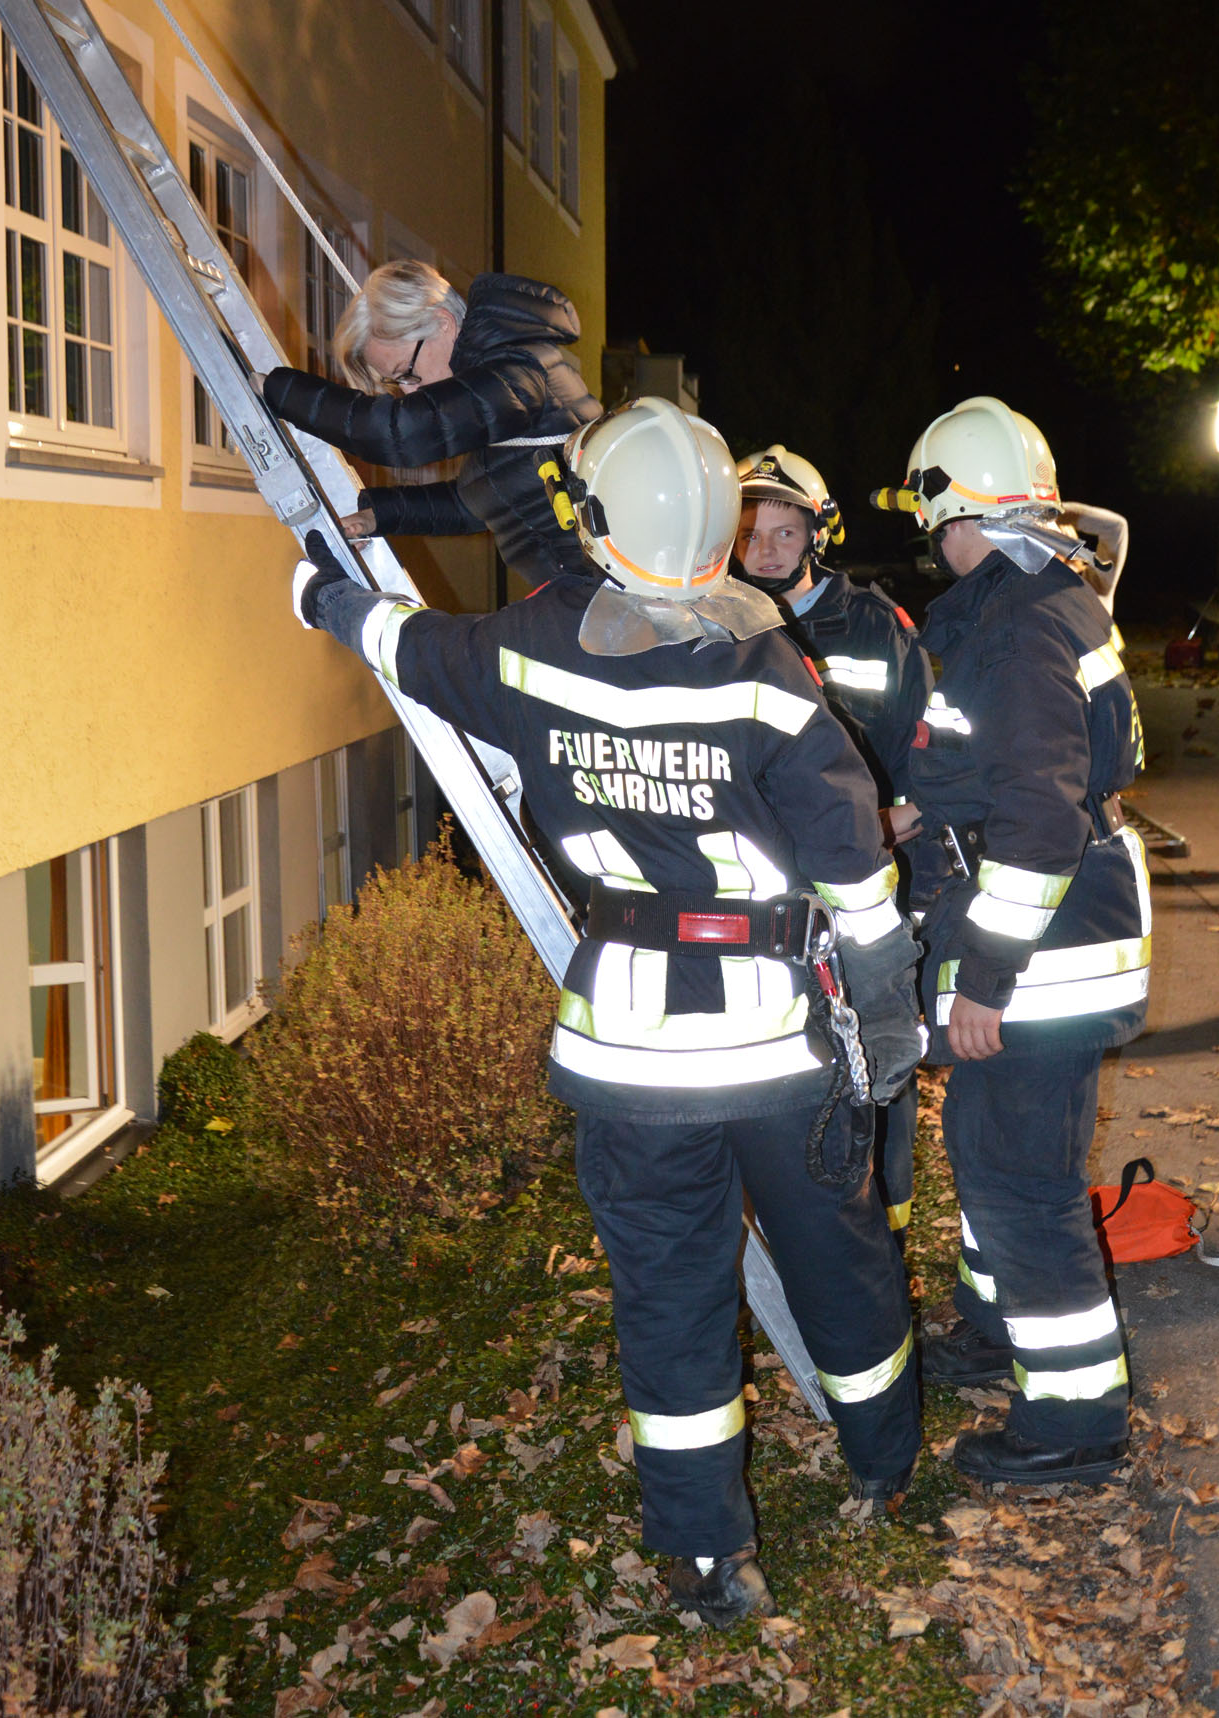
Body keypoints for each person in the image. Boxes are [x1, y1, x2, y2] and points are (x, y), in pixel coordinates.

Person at [294, 396, 925, 1627]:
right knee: (838, 1258)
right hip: (778, 1042)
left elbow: (408, 643)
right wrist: (888, 1015)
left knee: (669, 1297)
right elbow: (855, 873)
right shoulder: (768, 671)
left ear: (599, 518)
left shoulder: (529, 646)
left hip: (629, 1053)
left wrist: (320, 593)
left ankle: (708, 1559)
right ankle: (882, 1464)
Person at [873, 395, 1151, 1487]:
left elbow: (1037, 822)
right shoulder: (1041, 599)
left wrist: (986, 977)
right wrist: (916, 812)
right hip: (1062, 931)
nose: (931, 540)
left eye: (934, 516)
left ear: (960, 510)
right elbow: (1013, 768)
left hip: (1042, 950)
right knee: (994, 1152)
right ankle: (998, 1334)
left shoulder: (1021, 625)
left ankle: (1075, 1422)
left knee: (1022, 1181)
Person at [733, 446, 933, 1249]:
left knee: (878, 1057)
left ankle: (886, 1230)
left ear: (820, 535)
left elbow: (932, 762)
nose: (765, 550)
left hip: (861, 882)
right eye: (749, 533)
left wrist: (880, 829)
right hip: (763, 893)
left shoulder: (878, 627)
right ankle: (800, 1229)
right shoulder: (720, 623)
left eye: (784, 532)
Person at [261, 259, 601, 588]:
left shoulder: (515, 374)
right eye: (398, 383)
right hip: (587, 587)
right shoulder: (498, 375)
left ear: (442, 324)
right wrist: (377, 515)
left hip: (602, 588)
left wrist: (278, 391)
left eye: (406, 373)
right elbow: (480, 499)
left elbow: (398, 433)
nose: (409, 392)